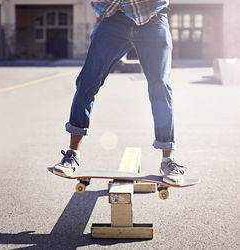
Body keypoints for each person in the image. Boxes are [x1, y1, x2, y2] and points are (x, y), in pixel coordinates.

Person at [52, 0, 185, 184]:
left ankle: (167, 160)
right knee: (87, 81)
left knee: (160, 86)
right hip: (114, 20)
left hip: (152, 18)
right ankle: (72, 154)